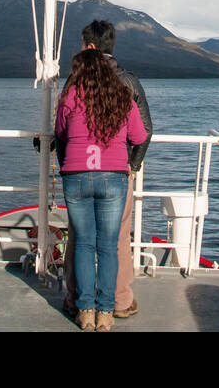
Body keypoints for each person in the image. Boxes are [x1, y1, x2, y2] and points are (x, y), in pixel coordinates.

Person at [61, 20, 153, 321]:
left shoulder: (73, 85)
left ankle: (80, 306)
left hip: (77, 173)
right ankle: (114, 306)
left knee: (81, 242)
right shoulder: (126, 84)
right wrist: (133, 165)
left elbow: (61, 131)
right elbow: (144, 133)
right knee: (113, 243)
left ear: (88, 48)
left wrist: (68, 163)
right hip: (116, 172)